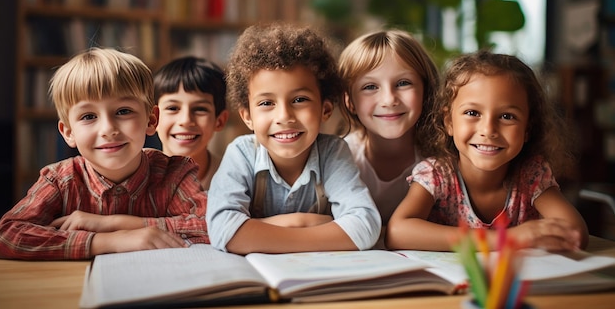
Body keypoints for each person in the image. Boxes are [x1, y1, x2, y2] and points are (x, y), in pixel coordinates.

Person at [0, 48, 209, 260]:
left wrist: (114, 224)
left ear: (151, 120)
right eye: (88, 116)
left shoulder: (174, 174)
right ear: (68, 132)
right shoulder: (60, 181)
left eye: (123, 111)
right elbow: (6, 236)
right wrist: (110, 241)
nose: (107, 129)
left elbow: (217, 224)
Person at [386, 50, 588, 251]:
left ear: (528, 128)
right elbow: (397, 233)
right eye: (472, 113)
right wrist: (505, 239)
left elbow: (575, 233)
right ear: (449, 121)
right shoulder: (437, 175)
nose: (488, 130)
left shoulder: (531, 175)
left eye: (507, 116)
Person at [206, 22, 381, 255]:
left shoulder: (333, 152)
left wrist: (259, 231)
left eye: (299, 100)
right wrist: (303, 223)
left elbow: (365, 225)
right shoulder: (241, 153)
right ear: (248, 116)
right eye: (267, 103)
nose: (284, 116)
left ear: (325, 110)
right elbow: (222, 230)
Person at [338, 29, 439, 228]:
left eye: (403, 83)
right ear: (349, 101)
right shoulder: (339, 158)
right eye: (370, 87)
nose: (389, 100)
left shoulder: (443, 161)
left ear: (425, 91)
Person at [153, 56, 229, 190]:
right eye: (172, 108)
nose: (186, 120)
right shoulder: (136, 179)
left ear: (220, 121)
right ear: (153, 119)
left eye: (200, 109)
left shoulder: (235, 178)